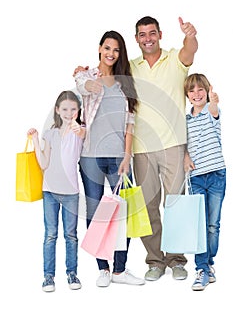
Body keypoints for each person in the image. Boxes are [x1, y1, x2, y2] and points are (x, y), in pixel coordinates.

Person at [74, 30, 145, 287]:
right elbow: (82, 86)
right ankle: (102, 268)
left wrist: (127, 155)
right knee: (96, 214)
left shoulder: (125, 83)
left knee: (122, 211)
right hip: (90, 156)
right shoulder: (86, 75)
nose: (111, 54)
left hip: (119, 157)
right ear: (99, 49)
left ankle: (120, 270)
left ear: (120, 53)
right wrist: (85, 78)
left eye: (115, 50)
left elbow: (129, 124)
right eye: (107, 48)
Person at [130, 16, 198, 282]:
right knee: (148, 207)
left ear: (160, 34)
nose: (147, 38)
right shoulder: (131, 66)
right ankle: (155, 260)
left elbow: (189, 50)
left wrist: (190, 35)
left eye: (152, 33)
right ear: (136, 39)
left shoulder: (174, 60)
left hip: (173, 144)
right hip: (141, 148)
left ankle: (177, 259)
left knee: (176, 205)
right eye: (142, 34)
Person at [27, 90, 86, 292]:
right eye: (65, 109)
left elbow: (82, 133)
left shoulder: (79, 131)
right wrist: (35, 140)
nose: (69, 113)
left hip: (70, 192)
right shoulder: (50, 134)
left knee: (71, 235)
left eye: (73, 109)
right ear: (57, 110)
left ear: (79, 111)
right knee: (50, 235)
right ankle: (48, 276)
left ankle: (72, 273)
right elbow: (43, 163)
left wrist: (78, 127)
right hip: (50, 191)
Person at [184, 73, 226, 291]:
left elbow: (214, 110)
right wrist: (185, 157)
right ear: (187, 95)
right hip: (196, 178)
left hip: (217, 174)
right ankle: (201, 268)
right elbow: (184, 145)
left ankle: (209, 264)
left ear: (207, 91)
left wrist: (213, 100)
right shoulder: (185, 119)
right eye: (192, 90)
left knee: (213, 225)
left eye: (201, 90)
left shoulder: (212, 112)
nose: (197, 94)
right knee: (200, 225)